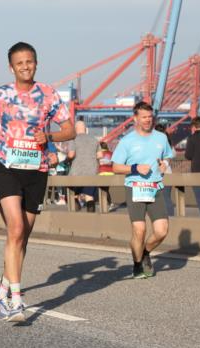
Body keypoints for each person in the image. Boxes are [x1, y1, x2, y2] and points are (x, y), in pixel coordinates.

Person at [0, 41, 74, 322]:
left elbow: (69, 130)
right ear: (11, 67)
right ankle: (16, 300)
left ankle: (4, 286)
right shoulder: (1, 94)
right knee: (15, 228)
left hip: (37, 170)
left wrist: (50, 137)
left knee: (22, 235)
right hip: (6, 167)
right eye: (20, 63)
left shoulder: (49, 95)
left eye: (29, 61)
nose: (25, 66)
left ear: (36, 63)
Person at [111, 101, 174, 278]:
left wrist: (165, 164)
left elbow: (168, 155)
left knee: (162, 231)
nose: (148, 120)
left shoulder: (161, 138)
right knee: (140, 230)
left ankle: (144, 252)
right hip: (135, 188)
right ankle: (137, 264)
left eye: (150, 117)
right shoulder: (127, 141)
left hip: (155, 188)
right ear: (136, 118)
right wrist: (134, 168)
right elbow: (115, 167)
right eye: (144, 117)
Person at [67, 119, 98, 212]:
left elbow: (71, 155)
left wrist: (67, 160)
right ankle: (91, 218)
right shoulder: (94, 139)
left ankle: (76, 216)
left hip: (76, 172)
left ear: (75, 129)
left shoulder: (73, 139)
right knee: (89, 196)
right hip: (92, 171)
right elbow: (100, 155)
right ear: (86, 129)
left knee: (74, 194)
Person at [153, 123, 175, 217]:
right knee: (167, 197)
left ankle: (160, 216)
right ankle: (170, 216)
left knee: (156, 197)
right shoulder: (168, 141)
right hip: (168, 172)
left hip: (157, 173)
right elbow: (173, 154)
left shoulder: (155, 142)